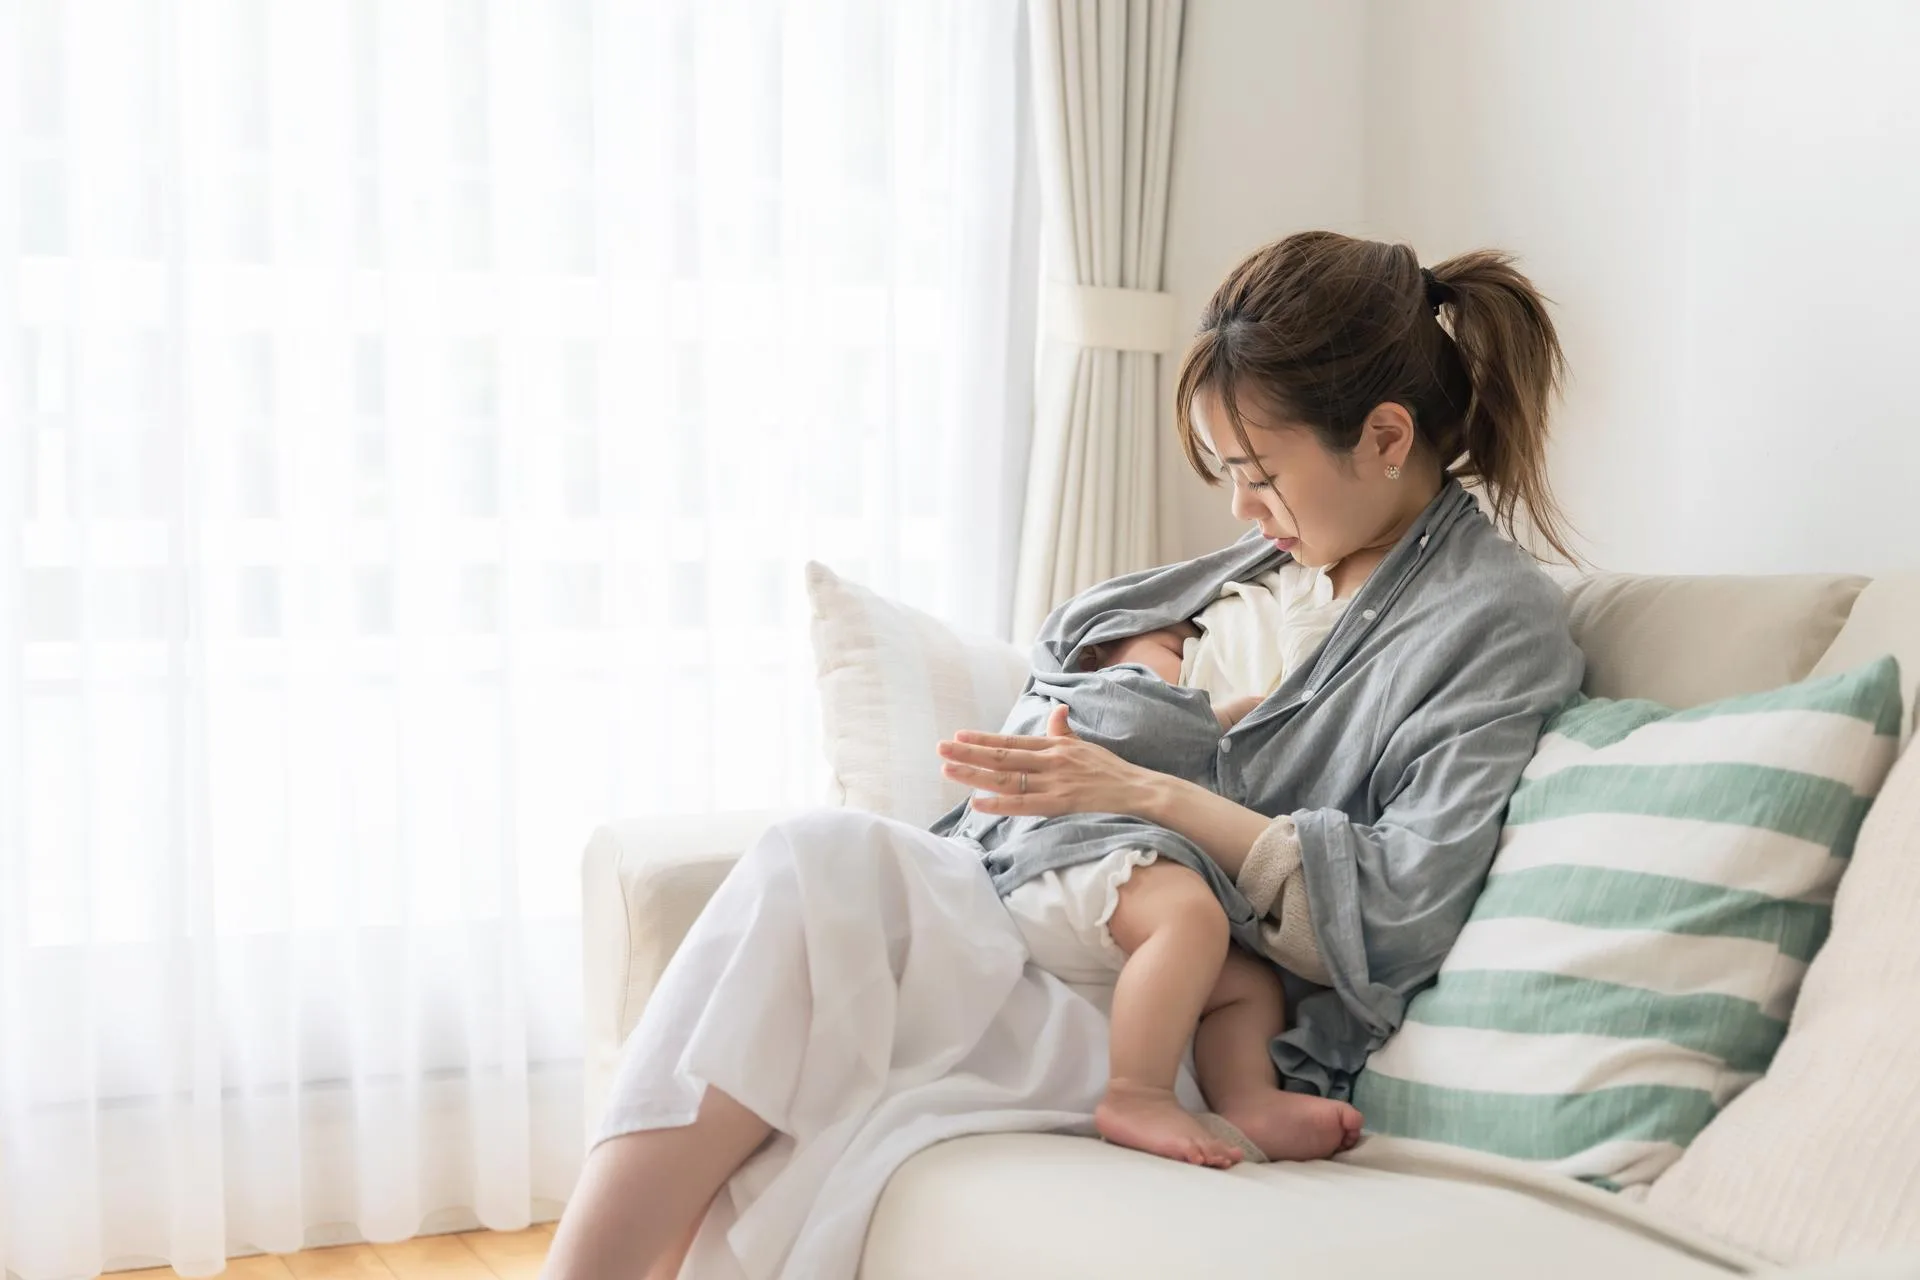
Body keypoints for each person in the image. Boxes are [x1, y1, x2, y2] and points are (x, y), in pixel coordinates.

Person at [544, 231, 1586, 1280]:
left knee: (820, 881)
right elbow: (1084, 687)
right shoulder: (1269, 561)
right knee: (813, 863)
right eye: (1226, 471)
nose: (1239, 506)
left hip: (1177, 1006)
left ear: (1386, 434)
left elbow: (1400, 905)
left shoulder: (1493, 624)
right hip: (1042, 900)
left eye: (1260, 472)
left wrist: (1148, 789)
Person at [994, 565, 1359, 1168]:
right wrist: (1223, 718)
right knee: (1191, 919)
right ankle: (1138, 1094)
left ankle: (1247, 1100)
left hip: (1110, 882)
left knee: (1246, 986)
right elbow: (1145, 729)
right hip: (1063, 851)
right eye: (1173, 648)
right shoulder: (1090, 690)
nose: (1189, 663)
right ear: (1095, 652)